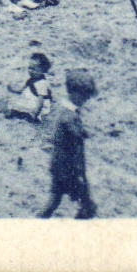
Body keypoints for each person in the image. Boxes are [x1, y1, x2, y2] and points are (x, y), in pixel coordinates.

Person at [36, 68, 98, 219]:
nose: (85, 100)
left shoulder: (66, 111)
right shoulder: (69, 117)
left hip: (60, 166)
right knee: (86, 205)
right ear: (75, 93)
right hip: (67, 169)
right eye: (84, 96)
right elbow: (75, 145)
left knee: (54, 201)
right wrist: (79, 174)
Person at [5, 51, 55, 122]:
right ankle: (15, 115)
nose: (30, 71)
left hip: (40, 107)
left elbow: (41, 101)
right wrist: (12, 89)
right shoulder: (31, 79)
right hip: (32, 101)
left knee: (24, 112)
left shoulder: (42, 83)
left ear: (42, 70)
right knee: (15, 106)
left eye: (33, 69)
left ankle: (29, 117)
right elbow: (21, 90)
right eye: (29, 68)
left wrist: (35, 113)